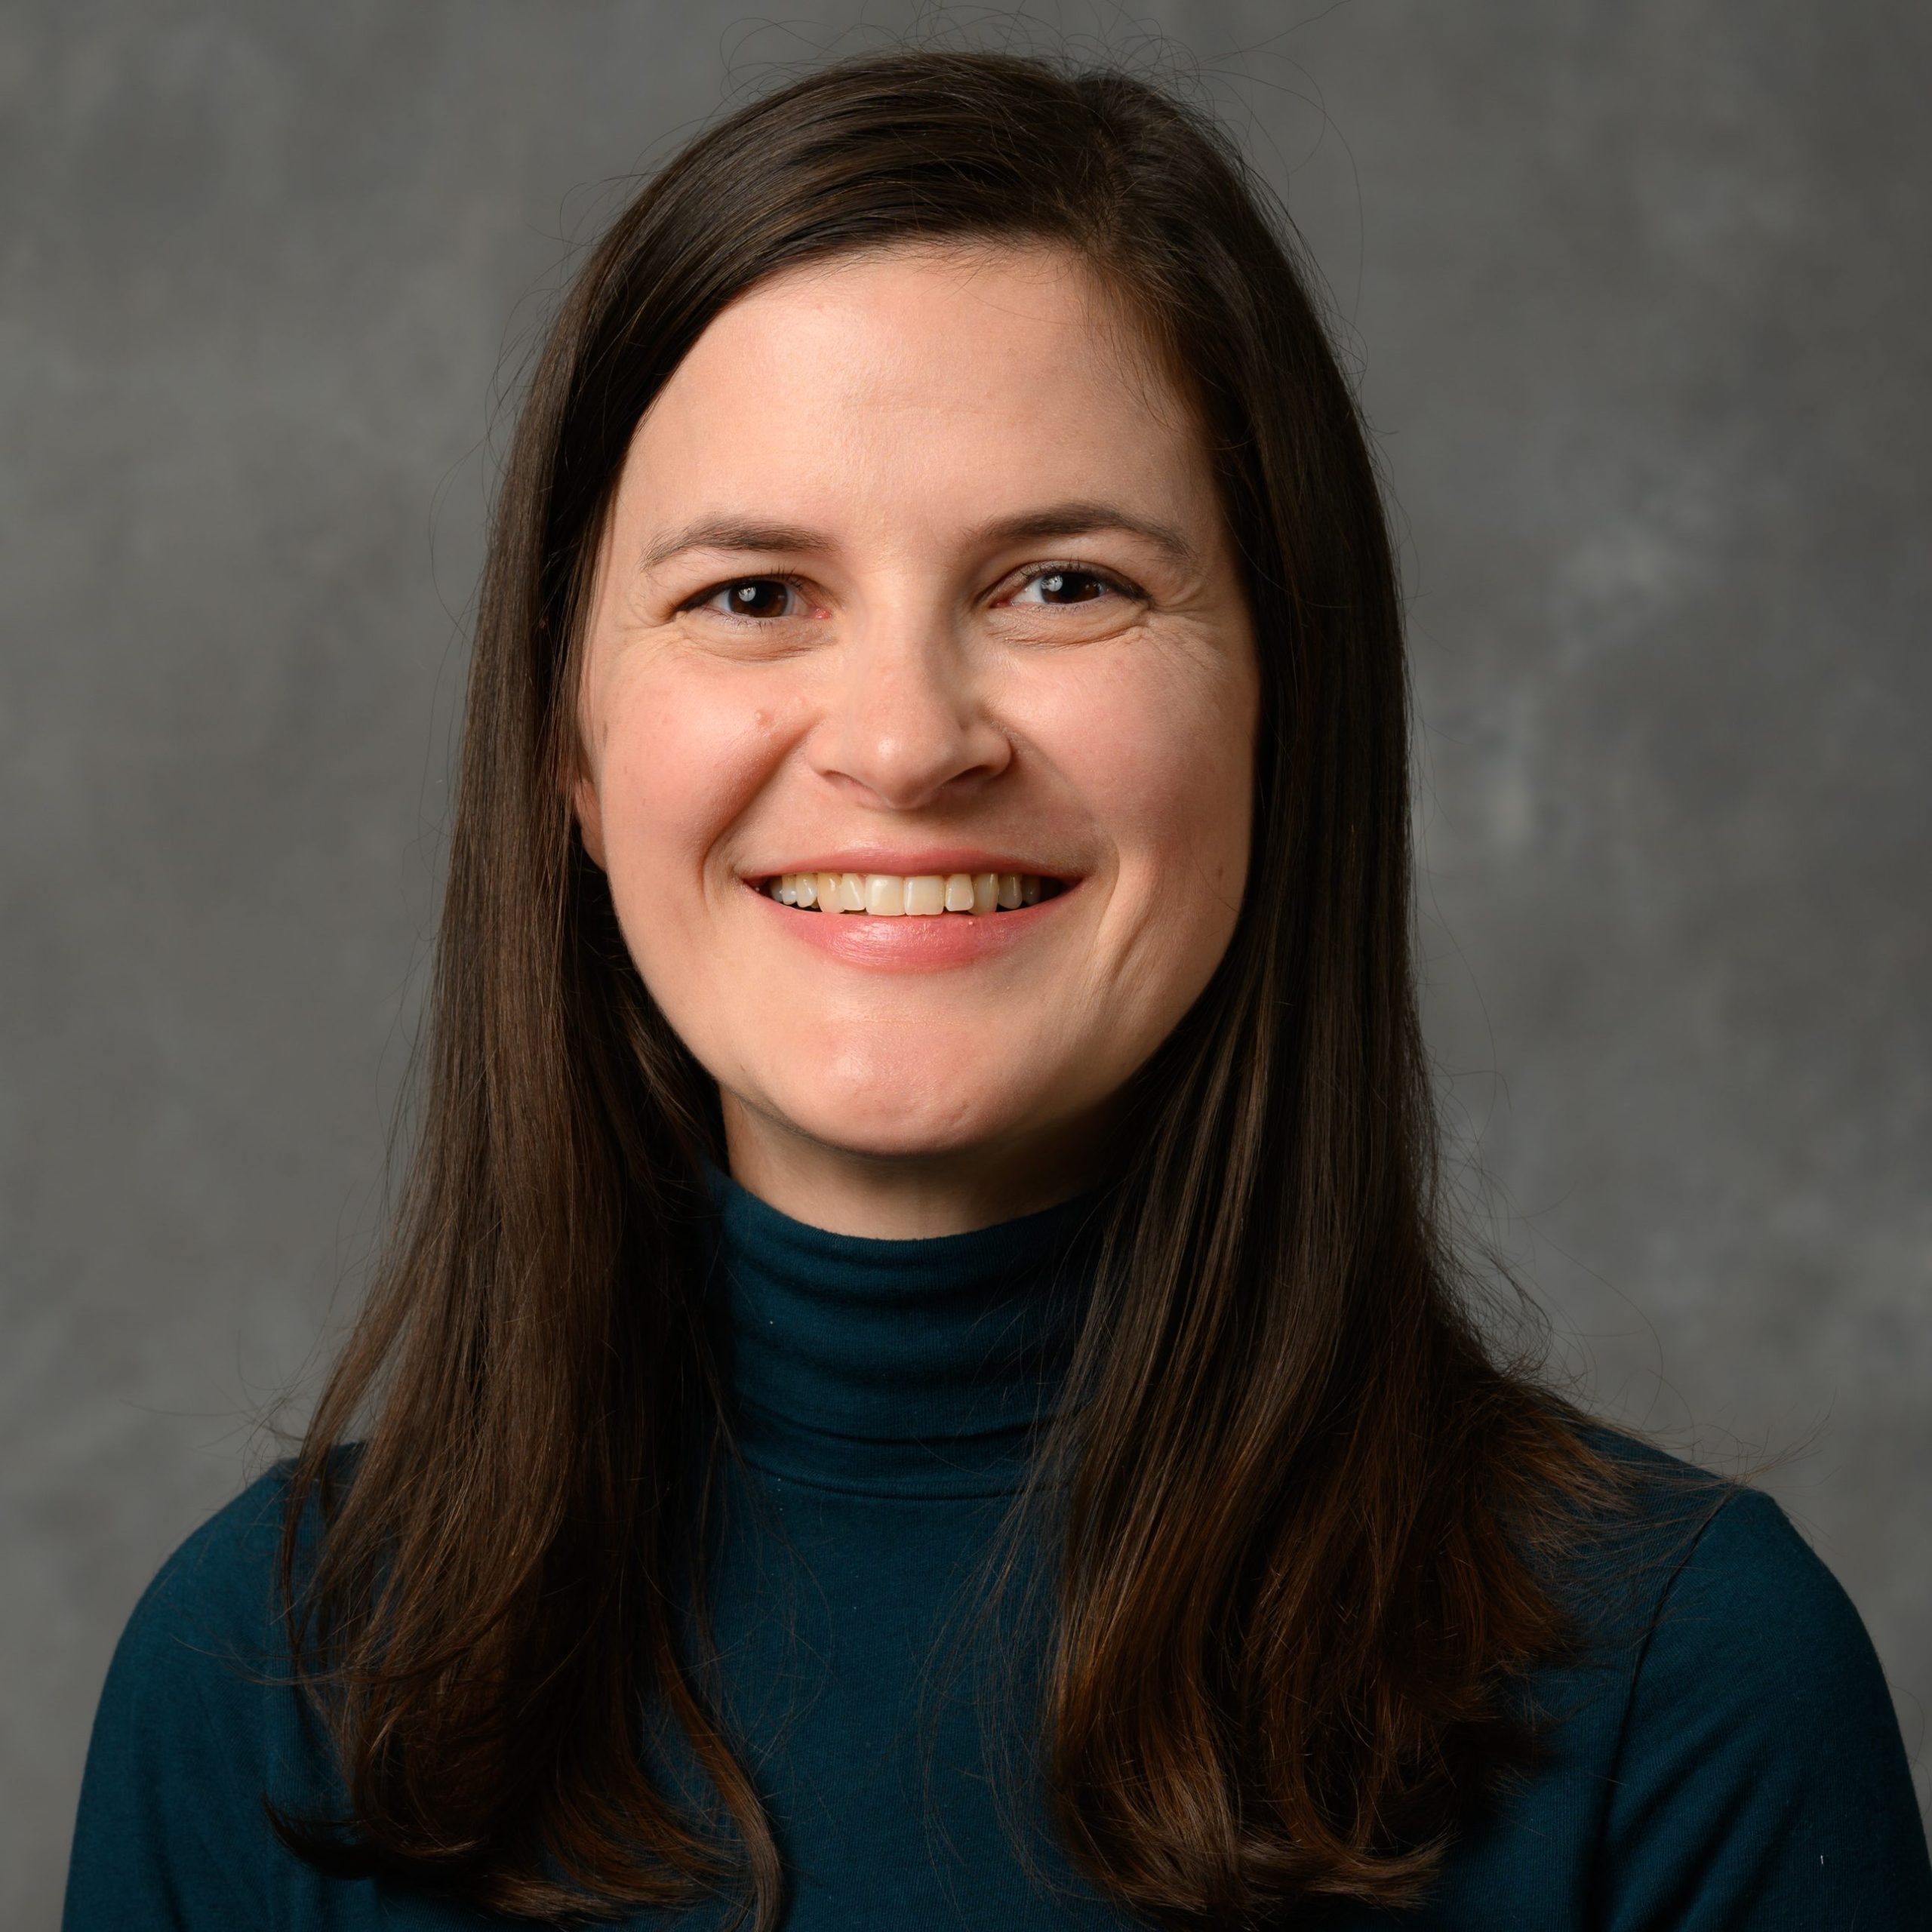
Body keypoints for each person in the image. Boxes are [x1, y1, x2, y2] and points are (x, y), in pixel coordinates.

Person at [63, 48, 1930, 1932]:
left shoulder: (1680, 1695)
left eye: (1059, 586)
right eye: (749, 594)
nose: (901, 740)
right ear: (571, 746)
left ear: (1285, 705)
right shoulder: (264, 1690)